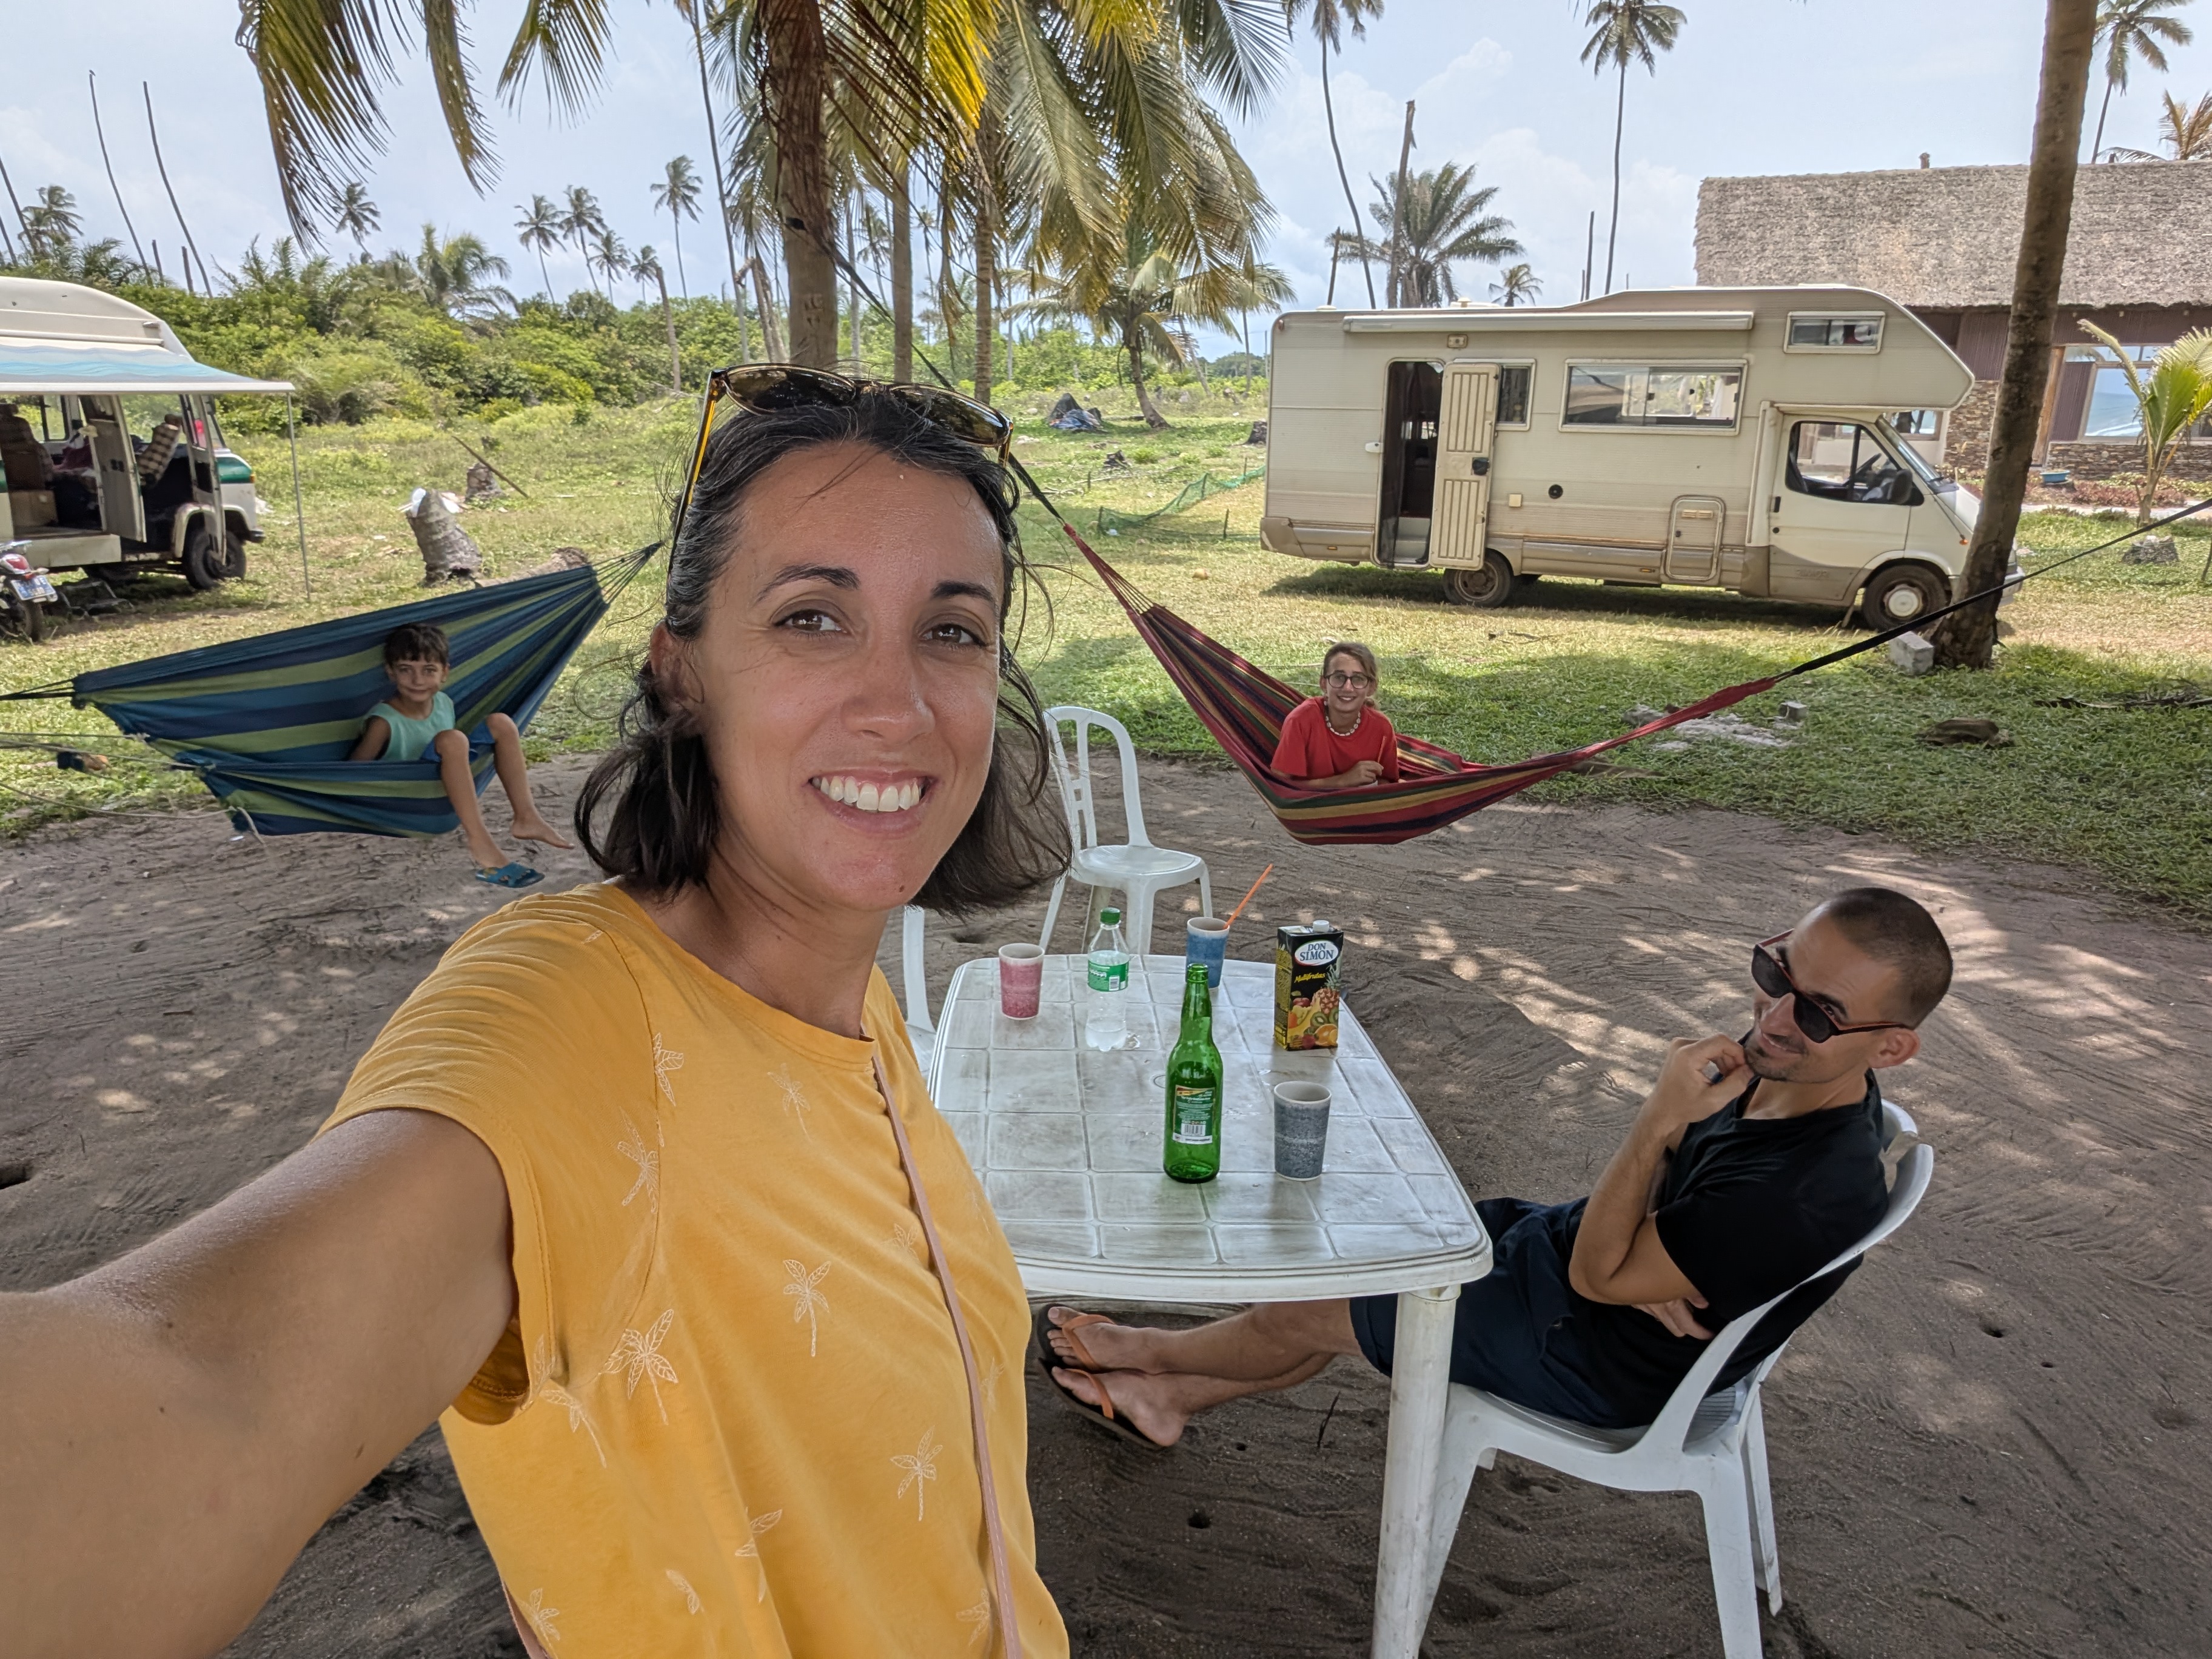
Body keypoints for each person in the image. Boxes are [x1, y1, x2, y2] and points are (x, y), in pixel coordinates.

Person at [0, 378, 1074, 1658]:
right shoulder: (572, 1021)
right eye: (812, 617)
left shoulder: (851, 998)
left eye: (952, 631)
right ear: (681, 674)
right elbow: (208, 1380)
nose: (898, 705)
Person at [1040, 886, 1951, 1444]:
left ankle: (1147, 1352)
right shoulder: (1787, 1078)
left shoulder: (1798, 1193)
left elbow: (1603, 1276)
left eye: (1820, 1013)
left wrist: (1656, 1127)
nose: (1776, 1017)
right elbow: (1632, 1242)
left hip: (1599, 1357)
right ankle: (1170, 1401)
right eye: (1775, 971)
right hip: (1573, 1269)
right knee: (1361, 1270)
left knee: (1311, 1306)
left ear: (1893, 1048)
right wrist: (1642, 1248)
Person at [349, 620, 572, 888]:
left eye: (429, 670)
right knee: (453, 738)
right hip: (411, 797)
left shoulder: (444, 703)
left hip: (446, 787)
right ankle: (480, 842)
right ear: (390, 672)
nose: (418, 680)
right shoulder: (384, 721)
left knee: (501, 723)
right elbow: (354, 773)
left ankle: (526, 817)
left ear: (444, 672)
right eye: (406, 670)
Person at [1270, 640, 1400, 790]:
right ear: (1323, 683)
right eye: (1339, 677)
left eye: (1358, 679)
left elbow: (1387, 783)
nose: (1348, 688)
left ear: (1372, 687)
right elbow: (1278, 788)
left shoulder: (1381, 727)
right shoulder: (1301, 721)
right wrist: (1342, 781)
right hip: (1310, 804)